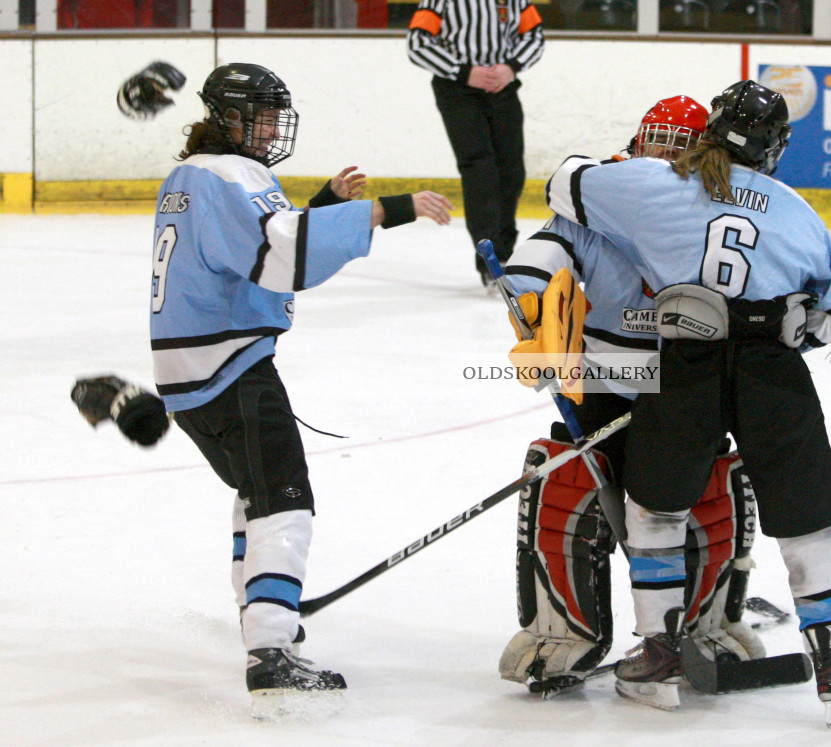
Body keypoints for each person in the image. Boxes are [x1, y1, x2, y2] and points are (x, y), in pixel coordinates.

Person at [543, 80, 831, 725]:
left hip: (687, 361)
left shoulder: (655, 185)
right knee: (807, 519)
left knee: (656, 505)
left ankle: (658, 654)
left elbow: (563, 182)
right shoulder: (797, 210)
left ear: (707, 133)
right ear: (774, 147)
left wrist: (627, 168)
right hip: (771, 371)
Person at [149, 62, 453, 716]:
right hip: (229, 367)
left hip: (189, 374)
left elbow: (253, 252)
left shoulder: (192, 174)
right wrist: (384, 210)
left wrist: (319, 204)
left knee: (255, 488)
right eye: (258, 117)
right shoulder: (233, 174)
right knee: (285, 493)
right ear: (228, 118)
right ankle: (271, 647)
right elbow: (281, 256)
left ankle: (261, 606)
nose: (268, 130)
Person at [496, 96, 766, 697]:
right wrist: (533, 309)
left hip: (684, 383)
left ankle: (706, 624)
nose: (665, 153)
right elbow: (540, 257)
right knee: (565, 482)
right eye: (657, 139)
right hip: (599, 379)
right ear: (638, 140)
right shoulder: (606, 196)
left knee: (708, 489)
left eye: (681, 143)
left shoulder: (720, 208)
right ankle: (562, 630)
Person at [406, 0, 545, 289]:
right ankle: (491, 260)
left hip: (502, 89)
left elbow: (534, 35)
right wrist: (462, 70)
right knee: (480, 169)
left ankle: (505, 251)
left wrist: (511, 66)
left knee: (511, 171)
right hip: (458, 90)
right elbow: (417, 44)